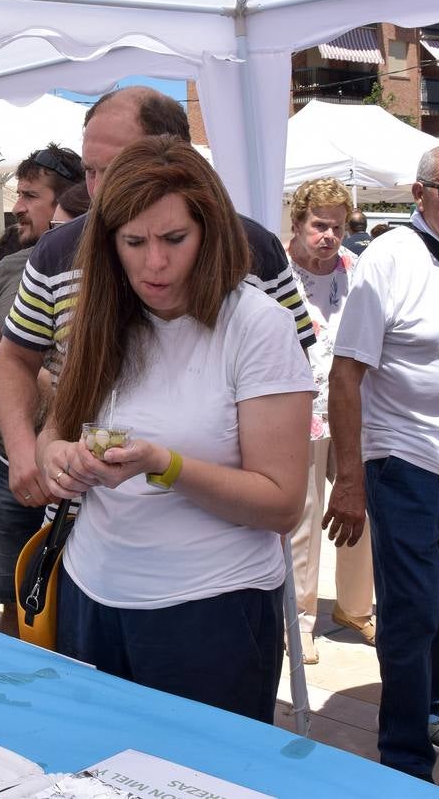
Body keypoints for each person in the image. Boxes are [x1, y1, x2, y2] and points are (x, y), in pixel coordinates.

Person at [39, 136, 312, 723]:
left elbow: (282, 503)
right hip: (93, 596)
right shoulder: (103, 313)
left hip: (211, 611)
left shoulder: (257, 325)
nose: (153, 263)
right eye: (133, 242)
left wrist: (165, 465)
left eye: (173, 240)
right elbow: (55, 433)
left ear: (210, 234)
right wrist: (56, 459)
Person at [0, 86, 315, 513]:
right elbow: (18, 361)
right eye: (90, 170)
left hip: (223, 531)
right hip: (83, 527)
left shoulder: (254, 251)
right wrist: (27, 449)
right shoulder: (58, 251)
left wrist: (171, 462)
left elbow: (287, 382)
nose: (100, 188)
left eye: (120, 167)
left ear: (173, 157)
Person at [325, 144, 439, 779]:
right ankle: (403, 756)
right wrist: (349, 479)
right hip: (404, 462)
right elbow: (345, 376)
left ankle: (427, 709)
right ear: (419, 192)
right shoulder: (390, 259)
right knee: (412, 611)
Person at [0, 145, 83, 636]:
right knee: (12, 593)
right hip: (9, 454)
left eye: (30, 196)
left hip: (69, 461)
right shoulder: (11, 267)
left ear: (66, 201)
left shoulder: (106, 267)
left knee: (63, 599)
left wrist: (22, 368)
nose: (16, 207)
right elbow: (10, 356)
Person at [283, 179, 375, 665]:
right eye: (319, 225)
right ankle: (298, 621)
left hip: (352, 409)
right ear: (297, 223)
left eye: (337, 227)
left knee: (360, 510)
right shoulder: (275, 270)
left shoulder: (356, 269)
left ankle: (355, 607)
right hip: (296, 412)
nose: (329, 236)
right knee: (303, 518)